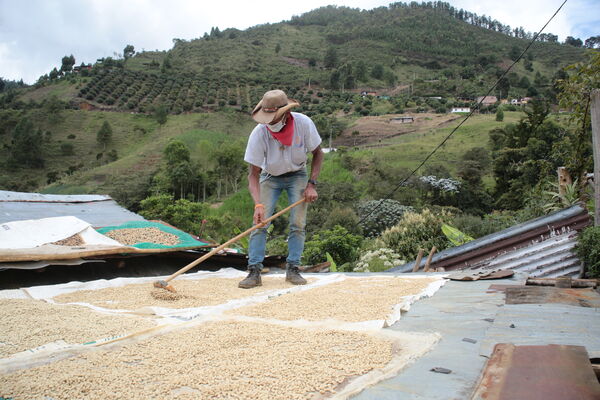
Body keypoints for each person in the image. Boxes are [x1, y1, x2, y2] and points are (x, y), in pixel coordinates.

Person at [239, 89, 324, 289]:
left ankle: (293, 268)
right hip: (270, 177)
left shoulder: (303, 124)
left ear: (285, 113)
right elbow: (253, 174)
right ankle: (254, 271)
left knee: (298, 223)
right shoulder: (260, 133)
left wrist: (311, 184)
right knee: (260, 223)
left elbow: (318, 154)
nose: (270, 122)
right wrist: (258, 204)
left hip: (297, 174)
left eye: (274, 117)